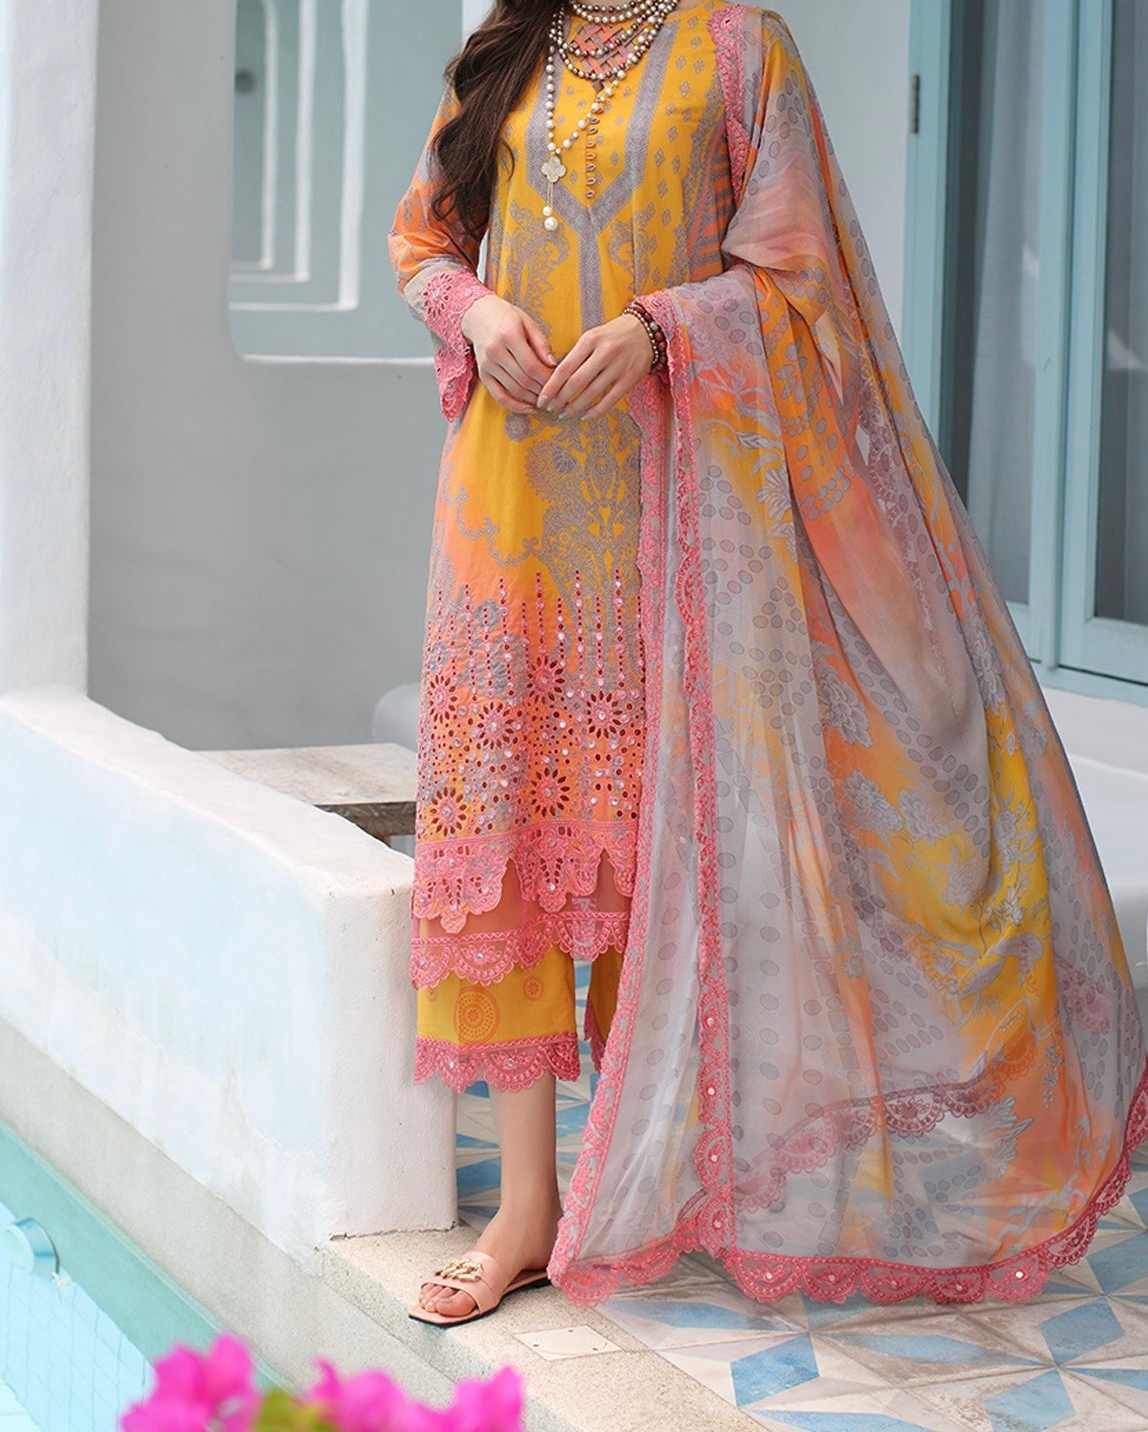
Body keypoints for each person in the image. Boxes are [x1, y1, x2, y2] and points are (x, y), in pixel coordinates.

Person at [388, 0, 1148, 1328]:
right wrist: (472, 306)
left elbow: (805, 276)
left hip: (674, 518)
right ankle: (526, 1207)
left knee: (657, 843)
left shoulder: (738, 46)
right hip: (505, 515)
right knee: (507, 833)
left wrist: (662, 328)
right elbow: (421, 239)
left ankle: (651, 1172)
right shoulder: (512, 43)